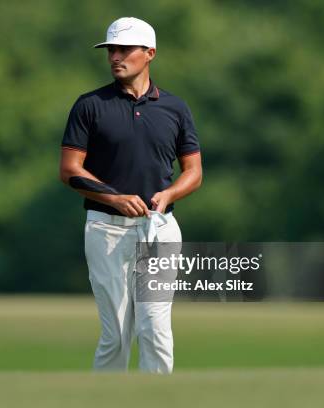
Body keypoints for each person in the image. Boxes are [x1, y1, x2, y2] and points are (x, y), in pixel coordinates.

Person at [59, 17, 203, 374]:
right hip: (106, 230)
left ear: (149, 53)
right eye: (111, 50)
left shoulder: (175, 108)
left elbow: (194, 172)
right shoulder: (89, 105)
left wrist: (169, 195)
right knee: (117, 335)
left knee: (155, 329)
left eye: (124, 49)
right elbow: (70, 170)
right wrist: (115, 198)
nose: (115, 57)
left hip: (158, 228)